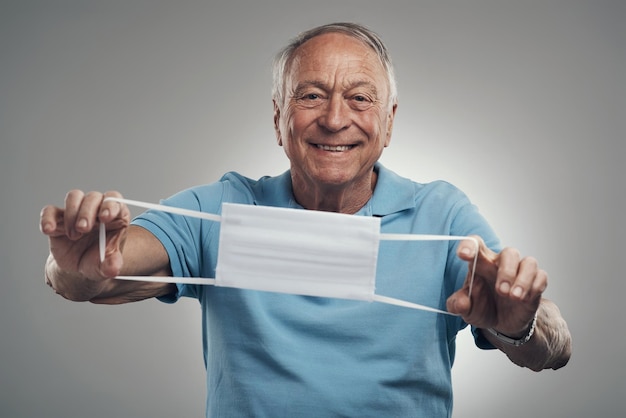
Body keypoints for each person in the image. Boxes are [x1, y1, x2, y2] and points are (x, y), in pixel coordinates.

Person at [40, 22, 571, 417]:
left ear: (388, 124)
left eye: (359, 99)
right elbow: (98, 276)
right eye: (311, 95)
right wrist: (77, 264)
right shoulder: (221, 210)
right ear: (278, 119)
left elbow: (554, 346)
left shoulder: (441, 214)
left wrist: (517, 322)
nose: (335, 119)